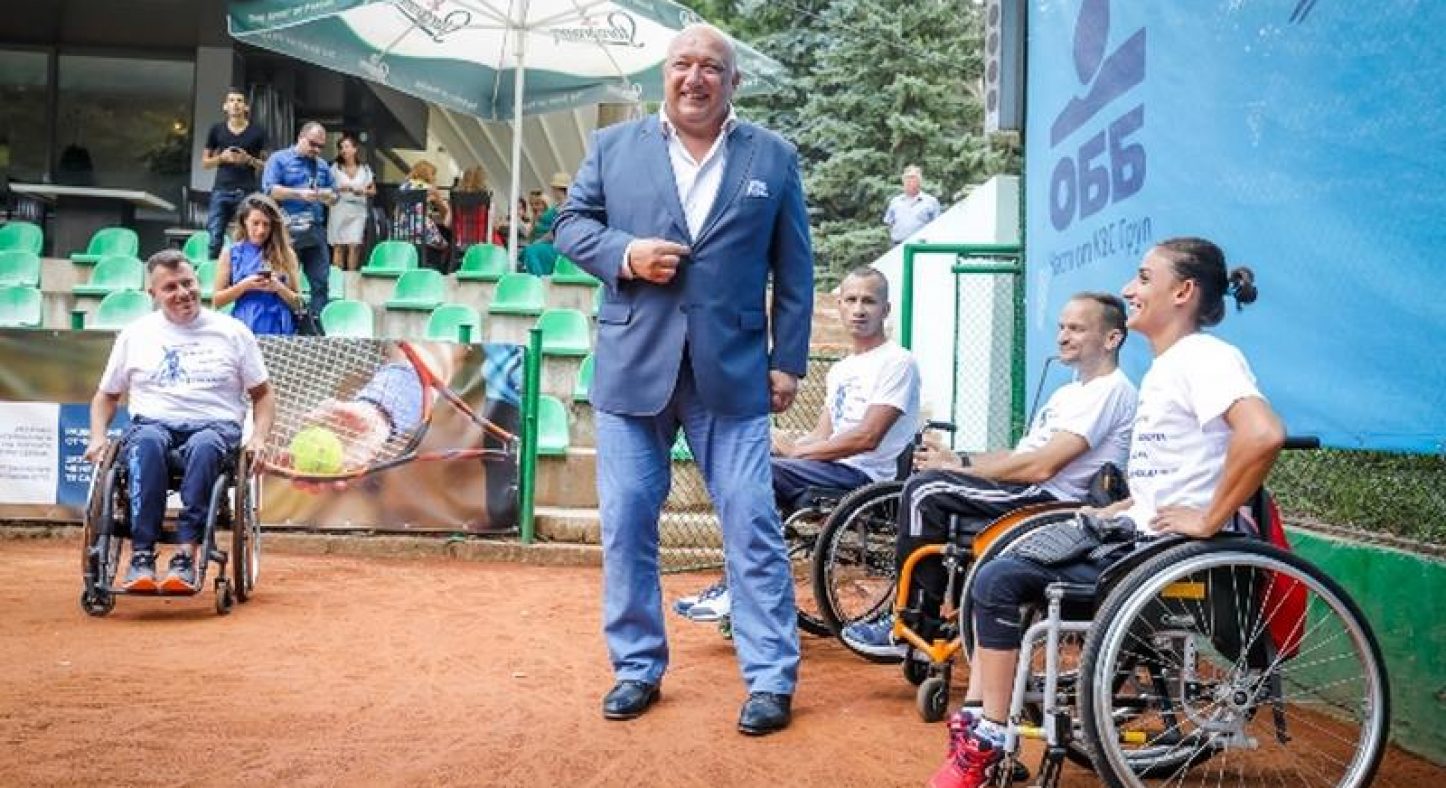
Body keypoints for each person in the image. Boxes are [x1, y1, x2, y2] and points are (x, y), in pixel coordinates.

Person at [929, 237, 1285, 788]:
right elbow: (1182, 473)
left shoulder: (1204, 357)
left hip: (1176, 556)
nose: (1129, 289)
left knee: (999, 579)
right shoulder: (1171, 365)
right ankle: (985, 727)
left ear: (1183, 292)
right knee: (999, 566)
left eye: (1143, 278)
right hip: (1146, 536)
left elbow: (1263, 435)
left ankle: (987, 738)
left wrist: (1210, 519)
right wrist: (1128, 506)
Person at [553, 23, 814, 736]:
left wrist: (787, 360)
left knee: (750, 520)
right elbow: (569, 225)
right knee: (627, 520)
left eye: (711, 68)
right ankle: (636, 666)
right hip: (634, 364)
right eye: (682, 65)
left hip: (732, 370)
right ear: (663, 74)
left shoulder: (773, 156)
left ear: (734, 82)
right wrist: (625, 253)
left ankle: (770, 678)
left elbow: (795, 269)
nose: (695, 78)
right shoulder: (614, 147)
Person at [841, 292, 1137, 659]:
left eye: (1076, 329)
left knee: (925, 491)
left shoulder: (1111, 391)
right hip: (1031, 491)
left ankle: (914, 625)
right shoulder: (1070, 392)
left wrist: (955, 470)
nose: (1063, 337)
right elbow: (1019, 455)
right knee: (927, 482)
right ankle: (920, 616)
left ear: (1112, 339)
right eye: (1062, 327)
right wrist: (959, 459)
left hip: (1051, 502)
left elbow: (1041, 466)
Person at [674, 267, 921, 624]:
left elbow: (867, 437)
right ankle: (742, 583)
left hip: (867, 479)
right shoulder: (842, 369)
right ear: (839, 305)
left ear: (886, 309)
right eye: (851, 300)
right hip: (834, 469)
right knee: (746, 463)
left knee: (756, 475)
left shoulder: (898, 362)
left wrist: (796, 452)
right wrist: (780, 443)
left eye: (869, 301)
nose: (859, 310)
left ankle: (742, 588)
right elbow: (823, 435)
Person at [83, 249, 275, 591]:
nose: (183, 293)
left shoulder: (233, 332)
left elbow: (263, 395)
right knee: (146, 442)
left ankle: (186, 555)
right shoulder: (135, 334)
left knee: (205, 446)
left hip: (215, 426)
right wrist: (97, 436)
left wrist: (258, 438)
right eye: (170, 287)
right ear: (153, 294)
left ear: (198, 282)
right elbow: (106, 396)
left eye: (188, 283)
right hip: (152, 424)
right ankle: (141, 556)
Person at [262, 121, 335, 319]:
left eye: (321, 146)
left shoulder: (322, 165)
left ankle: (316, 325)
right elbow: (269, 190)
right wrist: (299, 193)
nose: (316, 150)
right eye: (312, 144)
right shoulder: (279, 159)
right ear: (300, 138)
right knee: (284, 282)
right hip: (286, 231)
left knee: (320, 282)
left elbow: (335, 195)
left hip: (315, 231)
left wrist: (327, 196)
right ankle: (285, 323)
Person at [212, 194, 303, 336]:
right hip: (245, 325)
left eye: (266, 224)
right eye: (255, 223)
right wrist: (245, 285)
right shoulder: (230, 253)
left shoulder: (286, 254)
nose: (261, 230)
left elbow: (298, 303)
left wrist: (279, 288)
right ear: (244, 221)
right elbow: (217, 300)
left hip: (280, 327)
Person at [201, 89, 268, 261]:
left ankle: (243, 269)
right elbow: (205, 163)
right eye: (231, 100)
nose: (235, 104)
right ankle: (214, 270)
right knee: (214, 235)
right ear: (225, 106)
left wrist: (248, 159)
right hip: (221, 189)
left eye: (239, 100)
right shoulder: (216, 130)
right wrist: (222, 158)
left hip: (247, 190)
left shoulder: (257, 131)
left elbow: (266, 165)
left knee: (246, 235)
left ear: (246, 107)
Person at [328, 133, 375, 272]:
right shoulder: (334, 168)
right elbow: (328, 187)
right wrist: (340, 188)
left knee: (354, 245)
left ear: (355, 149)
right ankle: (337, 278)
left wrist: (363, 191)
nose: (344, 150)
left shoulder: (365, 169)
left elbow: (373, 190)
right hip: (339, 207)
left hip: (358, 209)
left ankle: (351, 277)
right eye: (341, 147)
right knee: (338, 246)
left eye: (347, 147)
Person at [399, 160, 453, 272]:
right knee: (445, 243)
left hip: (402, 232)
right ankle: (436, 270)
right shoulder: (429, 188)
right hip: (422, 233)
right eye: (434, 175)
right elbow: (445, 211)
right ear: (428, 174)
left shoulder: (403, 187)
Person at [521, 173, 571, 276]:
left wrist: (539, 241)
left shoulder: (566, 207)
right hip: (546, 242)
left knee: (531, 251)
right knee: (525, 252)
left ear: (558, 189)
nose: (552, 191)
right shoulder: (558, 205)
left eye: (553, 188)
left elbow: (555, 232)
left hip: (555, 246)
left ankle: (538, 279)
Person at [883, 165, 941, 245]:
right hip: (898, 245)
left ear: (920, 181)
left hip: (921, 246)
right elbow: (889, 223)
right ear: (903, 181)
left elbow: (936, 226)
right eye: (907, 178)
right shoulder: (895, 201)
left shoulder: (931, 202)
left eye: (913, 177)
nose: (910, 181)